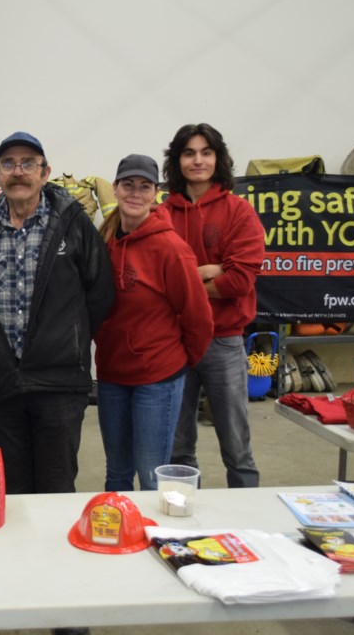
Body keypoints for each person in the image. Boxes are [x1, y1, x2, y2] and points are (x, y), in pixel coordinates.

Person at [0, 131, 115, 495]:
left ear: (45, 173)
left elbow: (101, 292)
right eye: (9, 164)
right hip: (2, 384)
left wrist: (67, 337)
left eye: (28, 164)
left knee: (56, 485)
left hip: (59, 384)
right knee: (10, 489)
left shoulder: (72, 222)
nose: (19, 172)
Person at [94, 154, 214, 492]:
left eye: (144, 186)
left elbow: (198, 316)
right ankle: (119, 541)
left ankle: (154, 540)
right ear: (115, 189)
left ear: (155, 192)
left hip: (157, 378)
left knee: (151, 475)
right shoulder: (104, 240)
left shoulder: (170, 248)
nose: (135, 193)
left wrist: (178, 363)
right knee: (117, 473)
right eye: (127, 185)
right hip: (112, 374)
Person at [158, 123, 265, 488]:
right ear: (178, 161)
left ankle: (247, 520)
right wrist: (212, 271)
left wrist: (186, 281)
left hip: (224, 340)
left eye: (206, 152)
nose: (197, 160)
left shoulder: (239, 212)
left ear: (217, 158)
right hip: (176, 343)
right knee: (177, 449)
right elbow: (158, 283)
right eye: (189, 153)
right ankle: (184, 524)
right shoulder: (162, 216)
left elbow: (239, 282)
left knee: (237, 448)